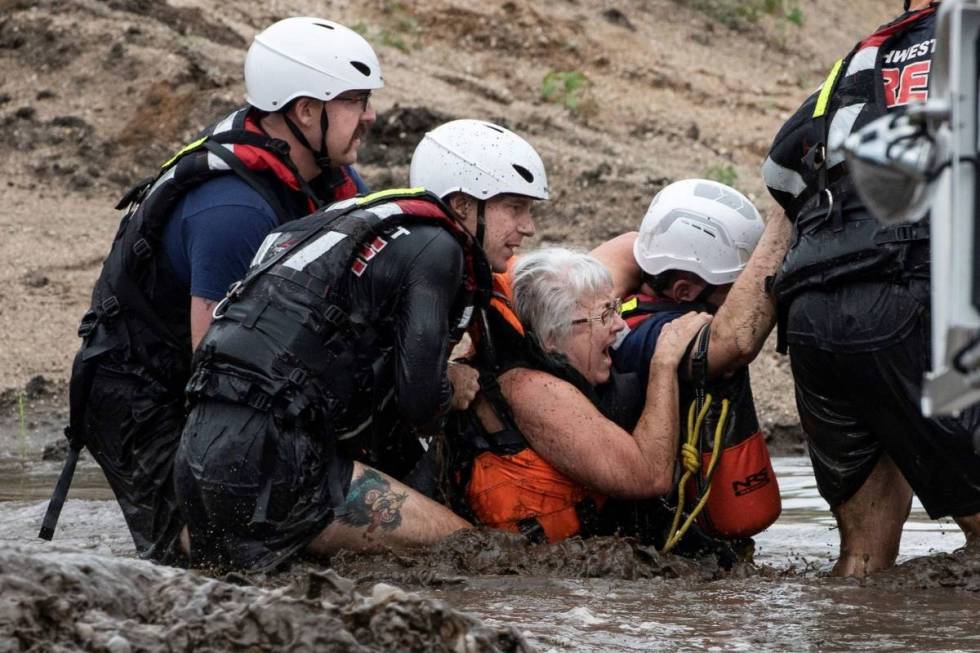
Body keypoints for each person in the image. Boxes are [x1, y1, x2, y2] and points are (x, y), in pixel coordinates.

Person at [44, 17, 383, 564]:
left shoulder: (329, 178)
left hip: (229, 379)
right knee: (220, 550)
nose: (369, 115)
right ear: (303, 111)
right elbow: (219, 378)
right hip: (147, 401)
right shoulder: (233, 211)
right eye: (354, 100)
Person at [173, 119, 552, 572]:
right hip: (273, 465)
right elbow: (420, 403)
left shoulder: (347, 224)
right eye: (515, 208)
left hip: (197, 455)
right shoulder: (437, 248)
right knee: (480, 555)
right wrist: (452, 386)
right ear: (462, 205)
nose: (527, 227)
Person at [763, 0, 980, 577]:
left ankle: (856, 629)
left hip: (812, 314)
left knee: (862, 560)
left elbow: (781, 175)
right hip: (918, 298)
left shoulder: (857, 59)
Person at [445, 246, 722, 552]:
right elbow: (652, 477)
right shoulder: (534, 390)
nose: (619, 325)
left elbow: (630, 245)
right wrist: (664, 363)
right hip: (539, 578)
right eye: (605, 314)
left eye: (615, 308)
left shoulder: (552, 350)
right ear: (552, 337)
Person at [597, 179, 788, 542]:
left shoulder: (635, 303)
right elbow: (736, 340)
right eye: (733, 286)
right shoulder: (648, 335)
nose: (740, 296)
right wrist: (788, 214)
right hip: (664, 543)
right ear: (684, 291)